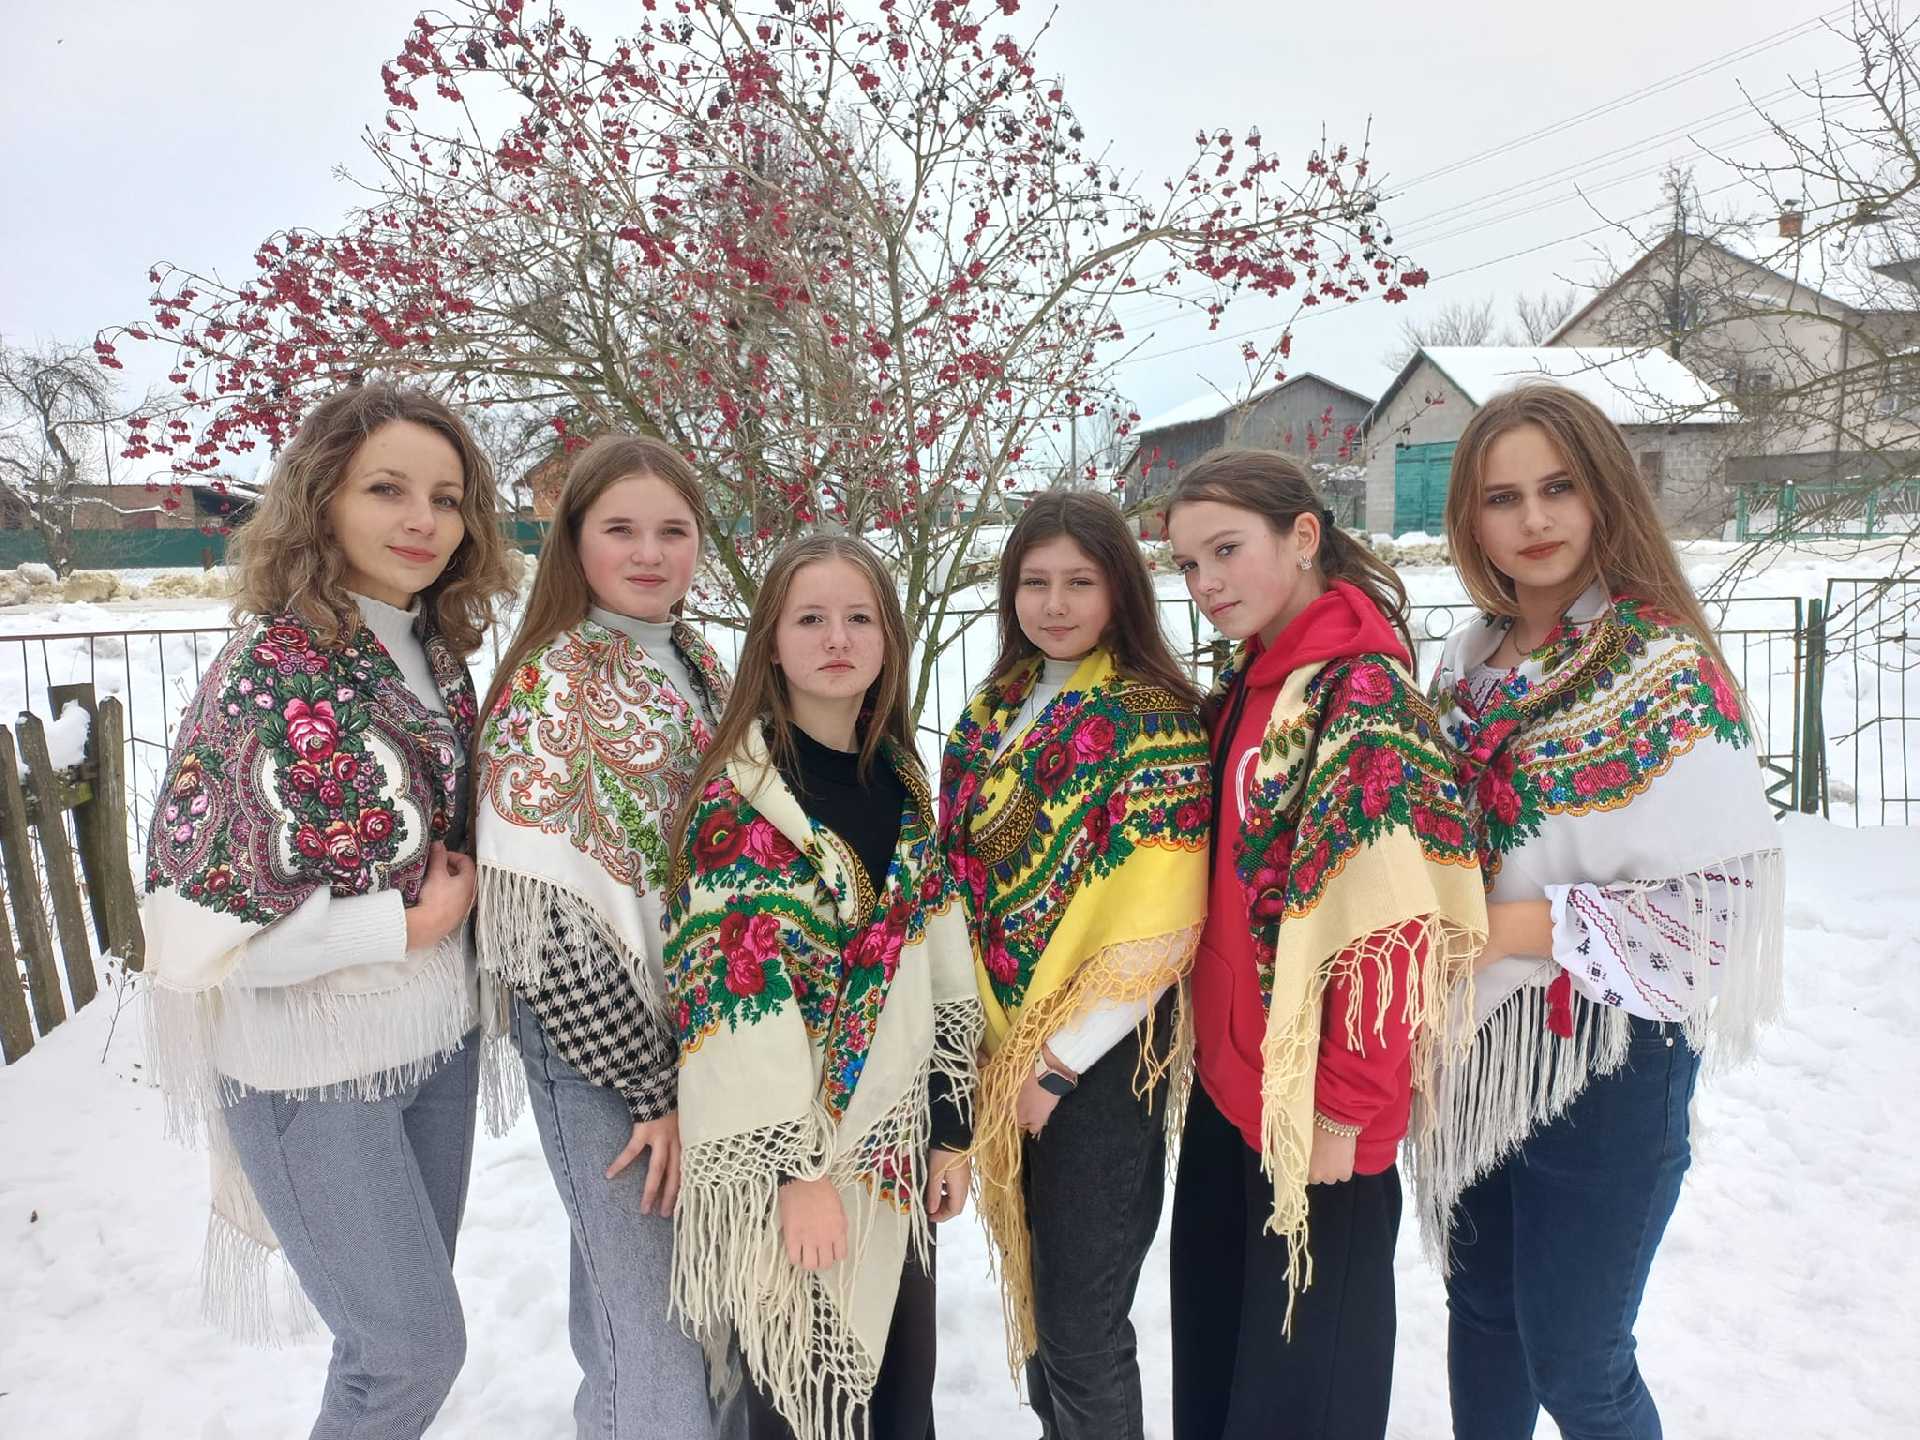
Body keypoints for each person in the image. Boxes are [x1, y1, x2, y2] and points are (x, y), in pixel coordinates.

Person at [141, 382, 516, 1438]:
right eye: (386, 489)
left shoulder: (437, 659)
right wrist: (402, 927)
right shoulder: (266, 672)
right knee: (408, 1356)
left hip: (433, 1046)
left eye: (447, 498)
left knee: (390, 1347)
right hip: (307, 1070)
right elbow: (205, 931)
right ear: (321, 499)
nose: (422, 520)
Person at [1412, 383, 1785, 1440]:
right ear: (1470, 517)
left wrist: (1502, 930)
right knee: (1483, 1315)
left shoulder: (1664, 669)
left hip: (1606, 1050)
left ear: (1604, 494)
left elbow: (1710, 906)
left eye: (1559, 488)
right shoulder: (1462, 665)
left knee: (1579, 1363)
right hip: (1474, 1048)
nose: (1533, 519)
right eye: (1502, 497)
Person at [1164, 449, 1485, 1440]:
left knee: (1303, 1402)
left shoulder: (1362, 699)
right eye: (1187, 564)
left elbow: (1393, 928)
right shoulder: (1256, 683)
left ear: (1303, 536)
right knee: (1221, 1381)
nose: (1206, 582)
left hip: (1319, 1115)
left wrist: (1345, 1108)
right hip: (1234, 1092)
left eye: (1227, 550)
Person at [663, 534, 983, 1440]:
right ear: (771, 643)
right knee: (804, 1409)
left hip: (893, 1157)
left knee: (900, 1403)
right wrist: (793, 1178)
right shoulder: (739, 806)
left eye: (859, 618)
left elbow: (938, 967)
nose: (836, 639)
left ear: (888, 640)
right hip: (797, 1174)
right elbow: (733, 1012)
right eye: (810, 619)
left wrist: (949, 1131)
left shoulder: (901, 784)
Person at [473, 435, 733, 1438]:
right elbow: (542, 929)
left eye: (674, 530)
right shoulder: (554, 682)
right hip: (605, 1054)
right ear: (573, 539)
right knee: (657, 1349)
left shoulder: (699, 661)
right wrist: (650, 1089)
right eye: (620, 529)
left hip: (695, 1040)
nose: (650, 553)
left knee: (640, 1307)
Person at [938, 490, 1209, 1439]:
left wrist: (1056, 1063)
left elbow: (1166, 919)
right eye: (1034, 582)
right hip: (1001, 1045)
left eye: (1080, 583)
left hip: (1098, 1060)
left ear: (1119, 590)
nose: (1054, 605)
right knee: (1042, 1305)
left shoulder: (1153, 718)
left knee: (1082, 1325)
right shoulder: (991, 712)